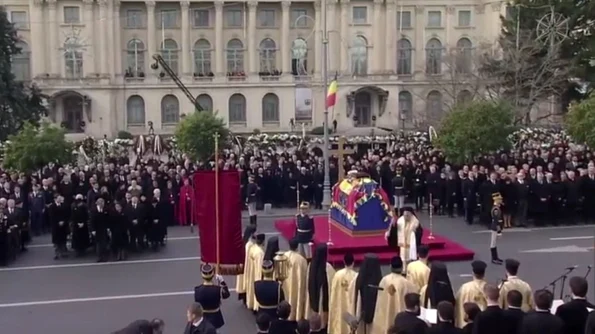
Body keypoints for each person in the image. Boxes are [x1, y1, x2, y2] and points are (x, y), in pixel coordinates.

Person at [375, 256, 419, 334]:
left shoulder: (384, 280)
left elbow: (380, 300)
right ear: (402, 267)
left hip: (386, 314)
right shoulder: (407, 283)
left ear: (390, 266)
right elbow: (414, 298)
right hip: (401, 317)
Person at [349, 253, 383, 334]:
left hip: (361, 316)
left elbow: (351, 297)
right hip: (375, 319)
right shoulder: (381, 282)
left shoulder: (357, 280)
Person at [306, 243, 336, 327]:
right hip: (324, 301)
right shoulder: (328, 268)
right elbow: (333, 282)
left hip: (313, 299)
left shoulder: (311, 265)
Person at [193, 263, 230, 330]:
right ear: (213, 275)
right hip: (215, 318)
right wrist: (222, 281)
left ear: (202, 275)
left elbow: (197, 304)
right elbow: (226, 294)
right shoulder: (218, 289)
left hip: (203, 318)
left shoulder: (197, 290)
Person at [328, 252, 357, 334]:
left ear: (344, 262)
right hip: (351, 307)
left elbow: (333, 292)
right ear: (353, 262)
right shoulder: (356, 276)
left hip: (340, 304)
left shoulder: (337, 275)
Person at [455, 261, 488, 328]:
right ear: (484, 274)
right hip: (484, 324)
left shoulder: (465, 288)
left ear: (473, 273)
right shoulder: (489, 288)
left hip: (467, 324)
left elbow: (458, 303)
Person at [283, 238, 308, 321]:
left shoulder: (283, 256)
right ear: (297, 247)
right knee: (295, 298)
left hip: (285, 283)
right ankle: (295, 315)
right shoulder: (301, 260)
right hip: (296, 284)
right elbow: (304, 274)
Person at [236, 225, 257, 304]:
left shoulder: (243, 242)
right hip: (247, 266)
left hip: (242, 266)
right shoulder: (250, 245)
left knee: (243, 282)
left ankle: (244, 297)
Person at [246, 233, 266, 311]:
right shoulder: (260, 253)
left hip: (252, 271)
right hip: (257, 273)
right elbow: (260, 267)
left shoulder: (253, 248)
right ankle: (256, 305)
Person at [49, 195, 69, 260]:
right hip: (55, 226)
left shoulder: (64, 206)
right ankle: (57, 254)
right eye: (59, 198)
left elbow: (66, 215)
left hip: (63, 226)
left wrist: (63, 221)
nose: (60, 199)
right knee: (56, 241)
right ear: (55, 199)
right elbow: (52, 217)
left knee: (63, 240)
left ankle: (63, 252)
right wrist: (58, 222)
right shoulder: (52, 206)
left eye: (60, 198)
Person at [90, 198, 110, 262]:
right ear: (98, 203)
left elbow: (107, 219)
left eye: (103, 203)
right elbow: (92, 221)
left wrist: (108, 228)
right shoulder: (93, 210)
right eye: (101, 203)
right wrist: (93, 230)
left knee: (104, 243)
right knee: (98, 243)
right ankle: (99, 257)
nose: (103, 204)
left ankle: (104, 256)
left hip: (103, 228)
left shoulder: (105, 209)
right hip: (97, 229)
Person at [490, 192, 504, 264]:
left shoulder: (497, 208)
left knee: (494, 243)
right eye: (500, 199)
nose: (501, 200)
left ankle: (496, 257)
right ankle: (494, 258)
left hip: (495, 227)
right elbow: (496, 221)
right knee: (493, 243)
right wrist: (499, 231)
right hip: (495, 228)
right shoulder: (496, 209)